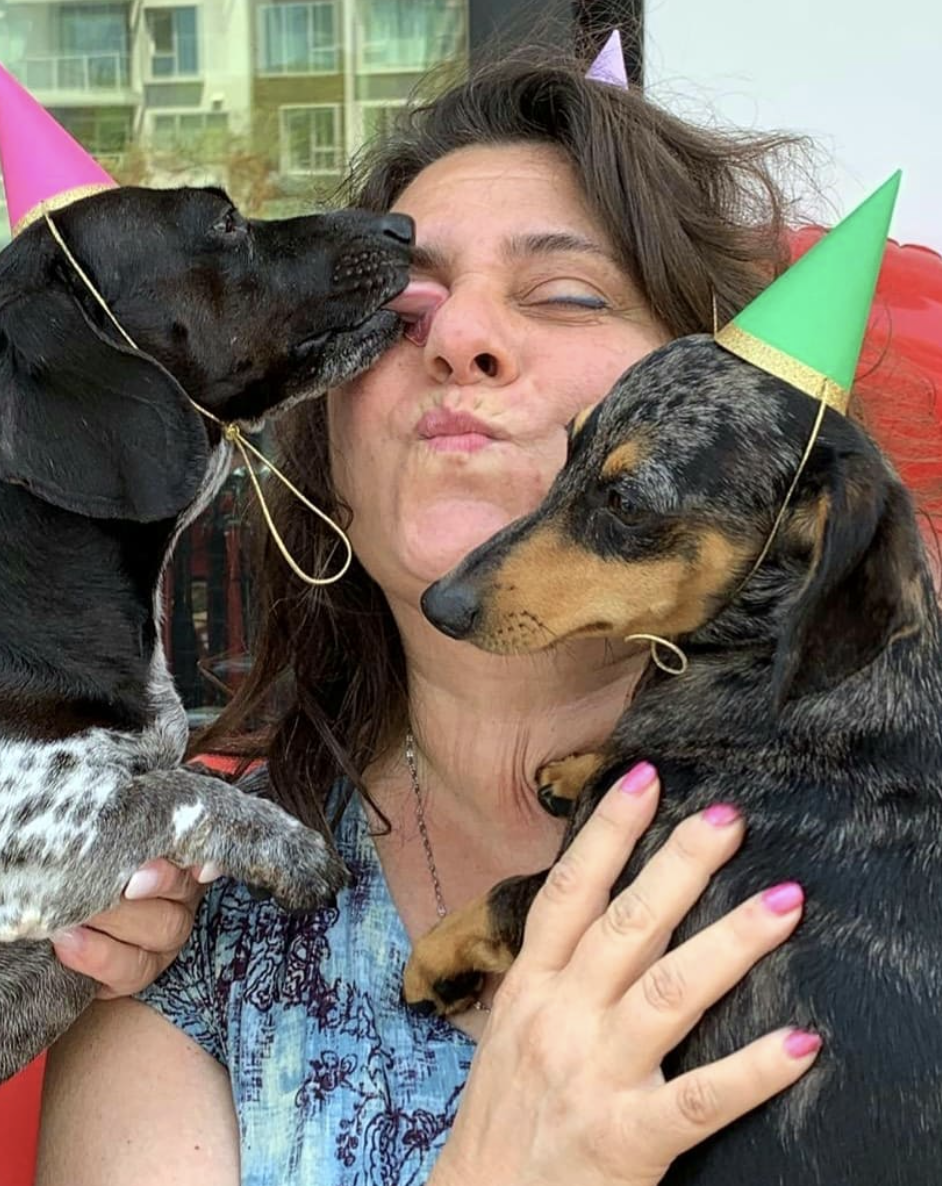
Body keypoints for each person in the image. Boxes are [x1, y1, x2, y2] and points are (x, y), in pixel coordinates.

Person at [35, 44, 822, 1185]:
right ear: (328, 453)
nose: (457, 338)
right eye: (401, 317)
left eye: (563, 294)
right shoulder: (193, 922)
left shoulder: (900, 837)